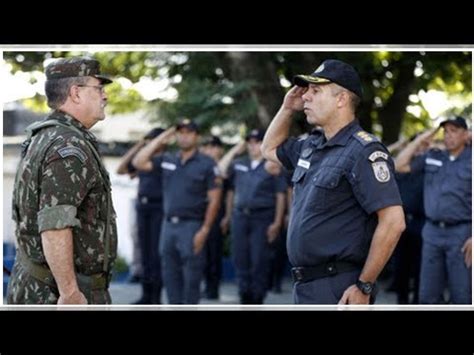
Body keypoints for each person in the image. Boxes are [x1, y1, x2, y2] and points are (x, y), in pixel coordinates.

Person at [261, 59, 405, 304]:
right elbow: (269, 148)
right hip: (306, 285)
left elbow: (393, 222)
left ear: (341, 100)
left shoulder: (364, 151)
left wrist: (365, 285)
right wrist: (287, 108)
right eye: (307, 91)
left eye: (316, 91)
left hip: (339, 286)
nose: (306, 97)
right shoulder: (311, 145)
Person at [7, 57, 117, 304]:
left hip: (40, 284)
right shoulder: (68, 144)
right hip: (59, 292)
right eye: (98, 88)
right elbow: (55, 225)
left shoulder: (45, 135)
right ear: (76, 93)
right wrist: (70, 294)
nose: (105, 96)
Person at [133, 119, 222, 304]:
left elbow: (215, 199)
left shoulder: (206, 164)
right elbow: (139, 162)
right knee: (170, 278)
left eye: (189, 132)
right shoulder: (168, 160)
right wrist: (162, 138)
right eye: (180, 132)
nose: (184, 136)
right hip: (168, 226)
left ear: (196, 136)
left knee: (191, 280)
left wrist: (205, 230)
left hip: (192, 226)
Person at [395, 116, 472, 304]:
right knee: (427, 295)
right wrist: (422, 138)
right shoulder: (434, 156)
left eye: (454, 131)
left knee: (462, 295)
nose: (448, 136)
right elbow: (399, 165)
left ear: (465, 134)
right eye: (445, 131)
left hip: (462, 234)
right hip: (431, 233)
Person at [220, 130, 287, 304]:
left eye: (257, 142)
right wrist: (236, 149)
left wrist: (277, 222)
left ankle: (257, 298)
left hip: (262, 217)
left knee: (259, 259)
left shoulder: (271, 165)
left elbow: (281, 195)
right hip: (240, 216)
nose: (253, 145)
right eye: (249, 142)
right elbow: (221, 174)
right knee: (240, 258)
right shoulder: (239, 163)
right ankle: (244, 295)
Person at [116, 127, 166, 304]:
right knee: (144, 252)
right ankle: (146, 295)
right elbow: (121, 169)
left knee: (154, 254)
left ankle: (155, 297)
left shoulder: (163, 161)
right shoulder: (141, 160)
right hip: (142, 207)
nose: (149, 143)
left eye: (153, 140)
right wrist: (139, 145)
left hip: (158, 208)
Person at [200, 135, 226, 299]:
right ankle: (206, 286)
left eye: (212, 146)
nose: (209, 150)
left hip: (217, 214)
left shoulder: (221, 166)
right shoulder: (203, 166)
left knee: (214, 254)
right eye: (206, 146)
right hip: (201, 213)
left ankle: (213, 288)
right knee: (203, 254)